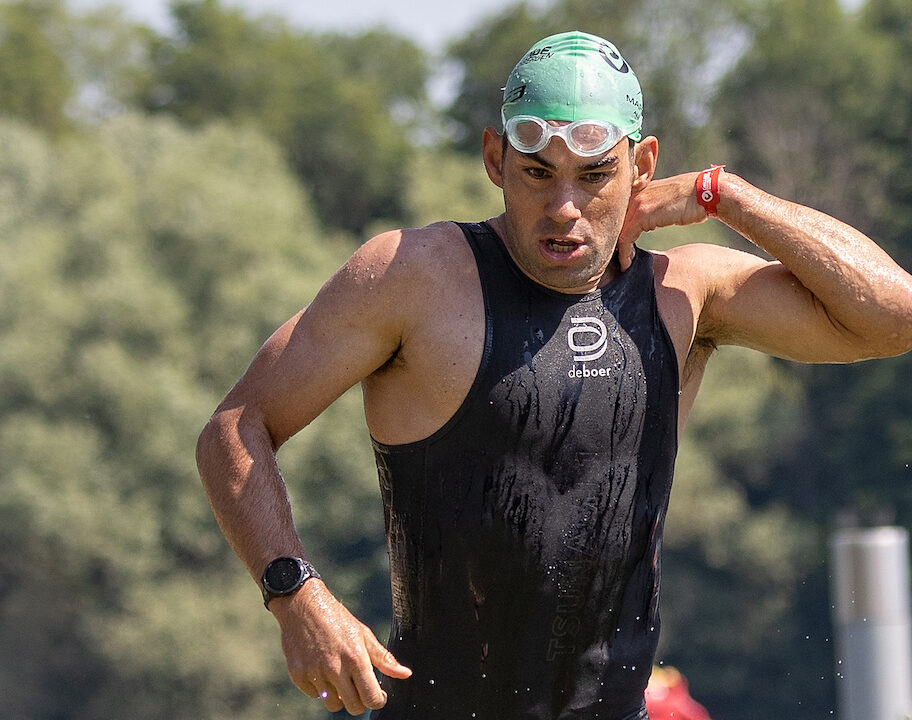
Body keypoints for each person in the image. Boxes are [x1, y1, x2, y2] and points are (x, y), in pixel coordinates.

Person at [195, 30, 912, 720]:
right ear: (494, 159)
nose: (564, 209)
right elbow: (236, 426)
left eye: (596, 176)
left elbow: (894, 316)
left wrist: (728, 195)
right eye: (537, 173)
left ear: (643, 165)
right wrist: (294, 592)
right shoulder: (410, 279)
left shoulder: (685, 294)